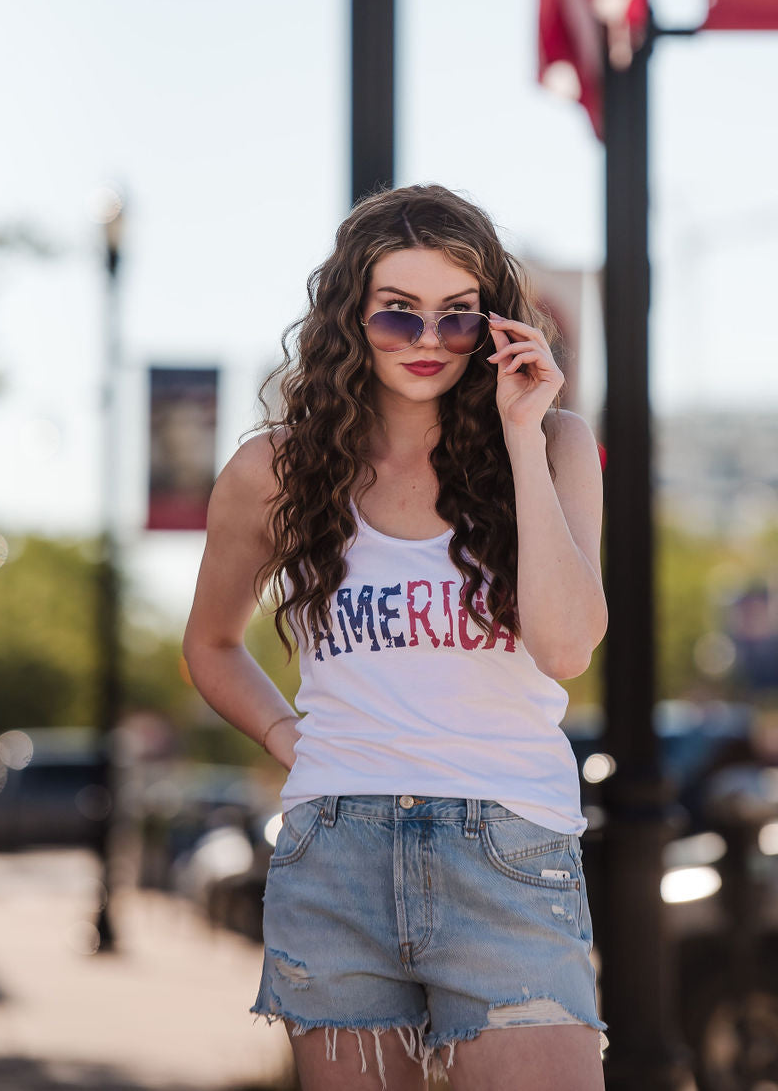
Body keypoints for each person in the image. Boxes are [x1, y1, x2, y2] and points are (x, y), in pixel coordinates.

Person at [182, 184, 608, 1091]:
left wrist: (522, 437)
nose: (427, 343)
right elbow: (212, 643)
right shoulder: (275, 471)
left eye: (457, 319)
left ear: (492, 325)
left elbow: (567, 648)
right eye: (397, 315)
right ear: (350, 316)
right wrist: (288, 738)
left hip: (509, 851)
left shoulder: (558, 444)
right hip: (336, 852)